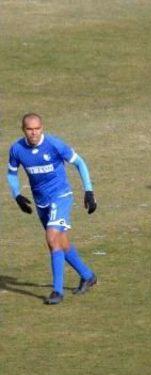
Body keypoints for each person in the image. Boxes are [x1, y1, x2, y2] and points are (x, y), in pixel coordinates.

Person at [6, 113, 97, 304]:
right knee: (59, 242)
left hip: (61, 196)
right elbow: (11, 173)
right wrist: (17, 195)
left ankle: (57, 292)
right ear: (23, 130)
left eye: (37, 128)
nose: (33, 133)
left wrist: (88, 191)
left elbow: (79, 162)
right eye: (29, 129)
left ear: (42, 128)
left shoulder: (54, 145)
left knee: (51, 238)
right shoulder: (16, 149)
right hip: (41, 202)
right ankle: (88, 275)